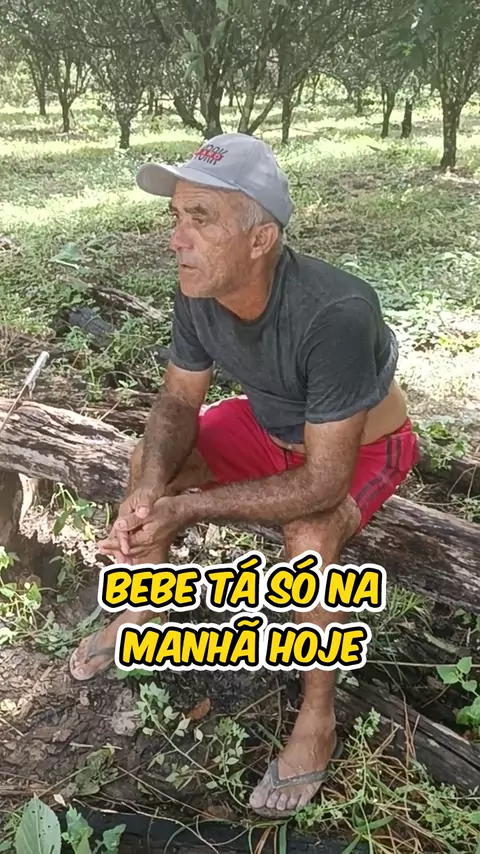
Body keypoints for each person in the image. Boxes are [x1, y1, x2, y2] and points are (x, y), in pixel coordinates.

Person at [69, 132, 419, 818]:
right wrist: (151, 491)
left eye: (201, 219)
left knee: (310, 537)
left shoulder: (337, 312)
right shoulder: (199, 287)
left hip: (361, 447)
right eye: (176, 217)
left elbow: (321, 482)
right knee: (150, 462)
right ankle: (144, 606)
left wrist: (188, 509)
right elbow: (178, 402)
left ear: (261, 239)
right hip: (269, 426)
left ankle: (317, 716)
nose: (177, 239)